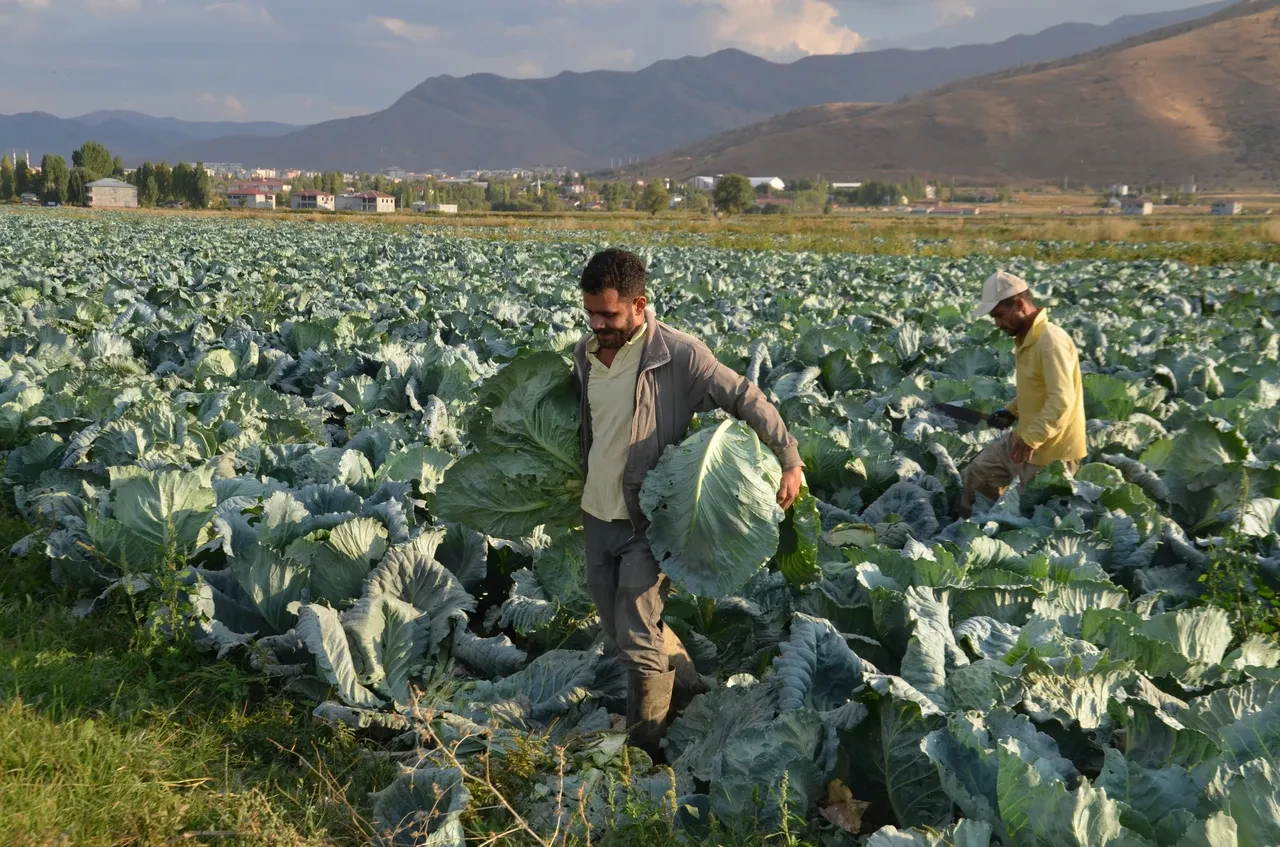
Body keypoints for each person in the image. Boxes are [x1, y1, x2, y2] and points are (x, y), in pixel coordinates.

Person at [572, 248, 804, 759]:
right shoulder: (583, 354)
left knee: (635, 635)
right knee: (619, 627)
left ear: (639, 304)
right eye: (590, 314)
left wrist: (788, 457)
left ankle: (644, 748)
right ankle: (691, 688)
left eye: (608, 315)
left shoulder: (679, 355)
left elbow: (744, 396)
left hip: (648, 521)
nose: (598, 325)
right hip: (597, 513)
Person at [961, 270, 1086, 517]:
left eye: (999, 315)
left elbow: (1061, 400)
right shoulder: (1027, 339)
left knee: (1032, 517)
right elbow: (1036, 389)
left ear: (1019, 304)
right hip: (1026, 437)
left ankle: (998, 532)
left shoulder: (1050, 341)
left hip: (1052, 451)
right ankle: (969, 531)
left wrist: (1031, 439)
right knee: (978, 474)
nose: (997, 323)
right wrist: (1010, 412)